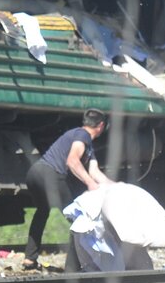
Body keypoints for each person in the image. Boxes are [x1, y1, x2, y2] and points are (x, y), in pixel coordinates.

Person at [23, 108, 109, 271]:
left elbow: (95, 171)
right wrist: (89, 183)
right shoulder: (82, 135)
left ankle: (29, 259)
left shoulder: (86, 144)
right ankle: (73, 268)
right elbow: (72, 161)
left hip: (34, 173)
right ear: (101, 125)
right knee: (78, 219)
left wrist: (114, 186)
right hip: (50, 174)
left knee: (42, 211)